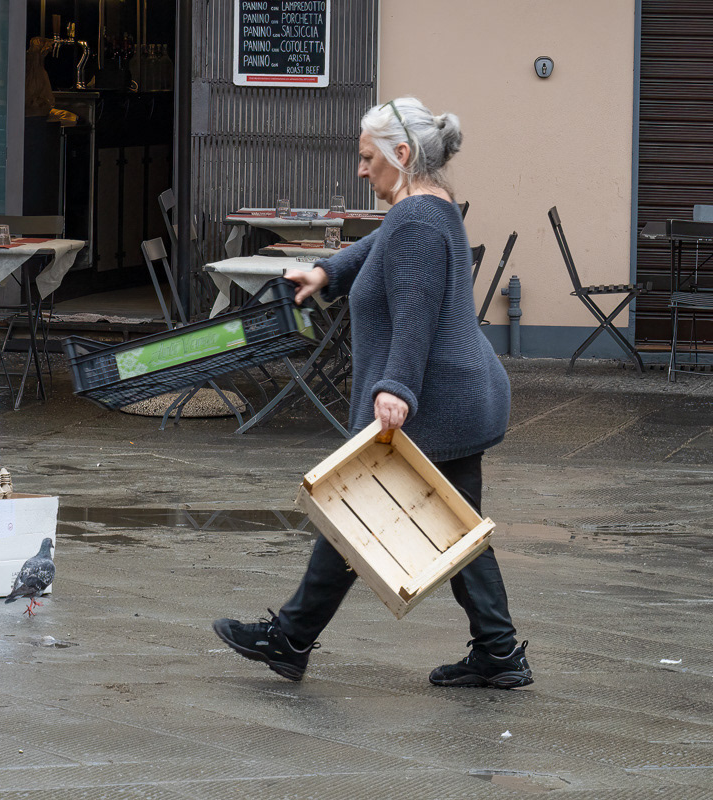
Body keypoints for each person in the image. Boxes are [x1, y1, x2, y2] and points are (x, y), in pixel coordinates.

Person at [213, 97, 532, 690]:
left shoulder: (417, 218)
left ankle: (292, 637)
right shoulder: (426, 207)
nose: (361, 171)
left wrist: (396, 389)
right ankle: (498, 652)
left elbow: (416, 312)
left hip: (439, 399)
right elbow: (382, 250)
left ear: (402, 155)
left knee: (359, 511)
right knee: (448, 529)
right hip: (460, 394)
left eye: (368, 158)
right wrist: (327, 270)